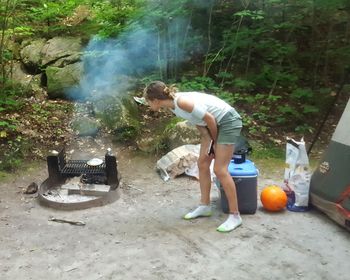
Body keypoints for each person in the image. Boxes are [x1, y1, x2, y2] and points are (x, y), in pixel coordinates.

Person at [143, 81, 243, 232]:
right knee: (202, 164)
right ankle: (205, 206)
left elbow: (210, 118)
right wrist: (207, 139)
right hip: (212, 125)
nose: (148, 105)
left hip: (228, 121)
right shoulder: (172, 107)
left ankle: (235, 216)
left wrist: (214, 143)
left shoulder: (181, 102)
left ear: (155, 100)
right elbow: (199, 121)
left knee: (220, 170)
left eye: (148, 101)